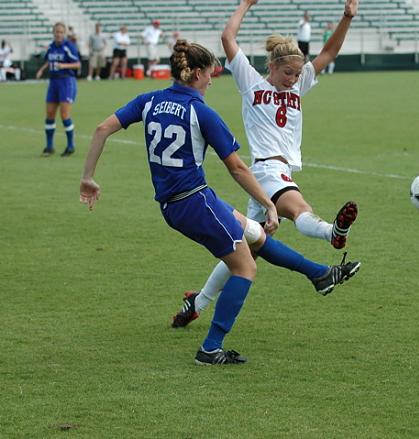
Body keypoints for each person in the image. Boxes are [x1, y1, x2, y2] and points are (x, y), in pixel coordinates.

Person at [79, 39, 360, 365]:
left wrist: (88, 176)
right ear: (196, 73)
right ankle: (210, 348)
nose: (213, 80)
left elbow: (102, 128)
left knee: (255, 235)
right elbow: (238, 168)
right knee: (245, 268)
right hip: (193, 202)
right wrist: (269, 204)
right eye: (210, 74)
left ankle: (320, 274)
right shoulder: (202, 113)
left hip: (181, 201)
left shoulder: (149, 100)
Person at [171, 0, 360, 328]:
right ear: (271, 66)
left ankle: (197, 303)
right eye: (287, 72)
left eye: (297, 74)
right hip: (267, 169)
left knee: (243, 248)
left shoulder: (299, 84)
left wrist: (346, 17)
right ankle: (333, 232)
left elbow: (328, 54)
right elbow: (228, 39)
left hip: (278, 171)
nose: (292, 79)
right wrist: (245, 4)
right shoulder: (252, 83)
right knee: (298, 207)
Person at [36, 22, 81, 157]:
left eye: (61, 32)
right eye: (56, 32)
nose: (58, 34)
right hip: (53, 82)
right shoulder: (51, 47)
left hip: (66, 81)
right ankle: (49, 146)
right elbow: (49, 61)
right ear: (53, 33)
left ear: (64, 33)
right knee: (50, 113)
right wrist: (41, 70)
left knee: (64, 115)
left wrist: (63, 65)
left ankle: (70, 145)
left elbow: (78, 64)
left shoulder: (69, 47)